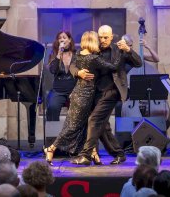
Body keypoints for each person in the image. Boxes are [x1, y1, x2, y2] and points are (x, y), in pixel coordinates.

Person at [44, 31, 121, 165]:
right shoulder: (93, 58)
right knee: (72, 127)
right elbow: (113, 66)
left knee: (85, 126)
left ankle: (94, 154)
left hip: (78, 93)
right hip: (85, 96)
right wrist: (119, 52)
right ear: (93, 41)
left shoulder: (79, 55)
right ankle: (51, 148)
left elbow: (73, 65)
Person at [71, 25, 142, 165]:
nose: (102, 40)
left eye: (105, 37)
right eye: (100, 37)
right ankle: (119, 154)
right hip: (93, 92)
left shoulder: (119, 49)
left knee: (94, 119)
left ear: (111, 37)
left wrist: (128, 50)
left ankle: (86, 155)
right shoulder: (93, 48)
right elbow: (74, 62)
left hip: (112, 91)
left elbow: (138, 63)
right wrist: (78, 73)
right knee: (103, 127)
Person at [46, 31, 76, 121]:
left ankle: (76, 134)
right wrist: (59, 53)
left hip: (74, 90)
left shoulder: (76, 54)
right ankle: (53, 134)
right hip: (58, 91)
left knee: (78, 111)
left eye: (64, 37)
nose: (62, 39)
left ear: (69, 40)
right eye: (59, 38)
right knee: (52, 107)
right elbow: (53, 70)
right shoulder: (54, 55)